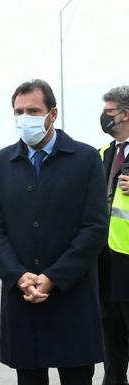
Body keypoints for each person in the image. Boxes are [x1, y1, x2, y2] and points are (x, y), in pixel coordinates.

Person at [0, 79, 108, 385]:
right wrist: (17, 275)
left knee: (77, 376)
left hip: (72, 295)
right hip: (23, 297)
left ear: (53, 113)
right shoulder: (1, 164)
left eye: (33, 110)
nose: (25, 118)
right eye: (18, 111)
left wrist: (54, 277)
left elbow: (94, 226)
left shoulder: (85, 158)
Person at [98, 85, 129, 385]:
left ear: (126, 114)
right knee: (111, 339)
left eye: (109, 112)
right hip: (106, 261)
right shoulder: (104, 153)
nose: (104, 118)